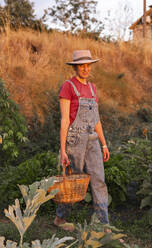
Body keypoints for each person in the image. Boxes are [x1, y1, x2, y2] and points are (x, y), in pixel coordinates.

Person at [54, 50, 110, 231]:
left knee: (99, 180)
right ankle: (60, 218)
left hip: (93, 141)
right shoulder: (68, 86)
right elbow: (64, 120)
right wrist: (63, 150)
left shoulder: (93, 88)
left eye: (88, 65)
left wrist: (104, 143)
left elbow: (97, 120)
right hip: (75, 141)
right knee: (72, 179)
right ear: (76, 67)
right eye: (81, 65)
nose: (85, 68)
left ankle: (103, 224)